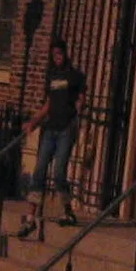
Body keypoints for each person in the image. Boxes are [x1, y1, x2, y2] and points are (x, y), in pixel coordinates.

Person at [17, 38, 88, 236]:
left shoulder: (75, 76)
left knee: (58, 173)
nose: (57, 57)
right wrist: (33, 122)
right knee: (39, 170)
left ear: (65, 53)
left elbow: (81, 98)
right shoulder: (52, 76)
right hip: (50, 128)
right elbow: (48, 104)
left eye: (59, 53)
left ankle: (67, 210)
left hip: (66, 128)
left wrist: (80, 106)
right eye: (54, 54)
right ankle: (30, 218)